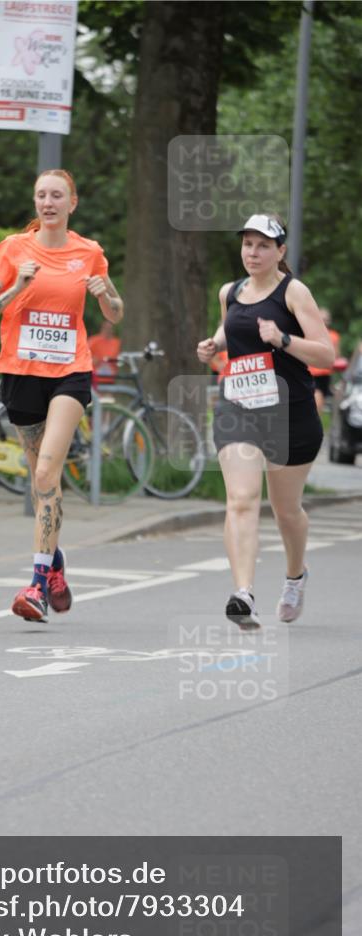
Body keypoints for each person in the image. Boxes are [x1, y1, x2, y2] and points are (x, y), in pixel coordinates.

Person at [0, 169, 123, 623]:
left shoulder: (89, 252)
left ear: (72, 202)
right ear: (35, 202)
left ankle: (36, 586)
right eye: (41, 195)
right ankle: (55, 565)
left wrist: (107, 292)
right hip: (20, 373)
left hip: (70, 373)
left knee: (46, 471)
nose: (48, 202)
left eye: (57, 195)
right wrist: (18, 286)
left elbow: (115, 312)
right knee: (43, 486)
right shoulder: (13, 250)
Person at [196, 214, 335, 629]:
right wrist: (213, 344)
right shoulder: (230, 291)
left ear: (280, 251)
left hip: (291, 413)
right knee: (240, 499)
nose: (252, 253)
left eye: (262, 245)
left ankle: (295, 577)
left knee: (286, 510)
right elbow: (231, 328)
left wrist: (284, 340)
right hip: (239, 406)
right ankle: (243, 594)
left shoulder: (294, 292)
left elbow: (325, 355)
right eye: (247, 244)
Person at [309, 308, 342, 414]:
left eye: (327, 319)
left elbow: (336, 357)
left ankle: (318, 426)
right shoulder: (309, 333)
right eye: (322, 318)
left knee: (321, 403)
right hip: (313, 374)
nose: (324, 321)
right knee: (317, 402)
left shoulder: (334, 335)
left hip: (326, 374)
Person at [88, 319, 121, 386]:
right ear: (102, 328)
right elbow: (85, 357)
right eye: (106, 328)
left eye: (110, 328)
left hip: (111, 378)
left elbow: (120, 360)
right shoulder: (93, 341)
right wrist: (92, 360)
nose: (108, 330)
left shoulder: (117, 343)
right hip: (95, 378)